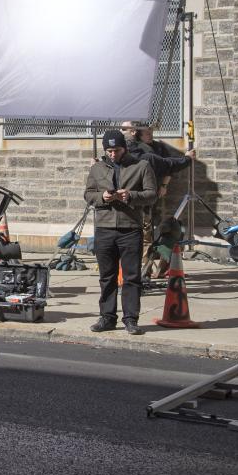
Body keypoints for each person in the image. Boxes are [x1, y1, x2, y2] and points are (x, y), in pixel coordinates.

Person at [83, 129, 157, 335]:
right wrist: (102, 197)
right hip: (104, 228)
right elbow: (88, 194)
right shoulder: (97, 168)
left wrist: (131, 196)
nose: (113, 154)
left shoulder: (141, 166)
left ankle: (131, 319)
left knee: (132, 277)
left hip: (130, 228)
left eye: (116, 150)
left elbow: (151, 195)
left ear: (124, 147)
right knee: (107, 276)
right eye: (109, 150)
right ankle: (107, 317)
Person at [121, 121, 195, 276]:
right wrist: (186, 159)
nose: (150, 134)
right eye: (147, 132)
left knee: (150, 231)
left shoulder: (156, 148)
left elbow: (167, 166)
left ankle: (149, 269)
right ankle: (142, 272)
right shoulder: (134, 151)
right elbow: (164, 163)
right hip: (135, 200)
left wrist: (164, 185)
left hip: (148, 196)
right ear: (137, 132)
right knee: (142, 234)